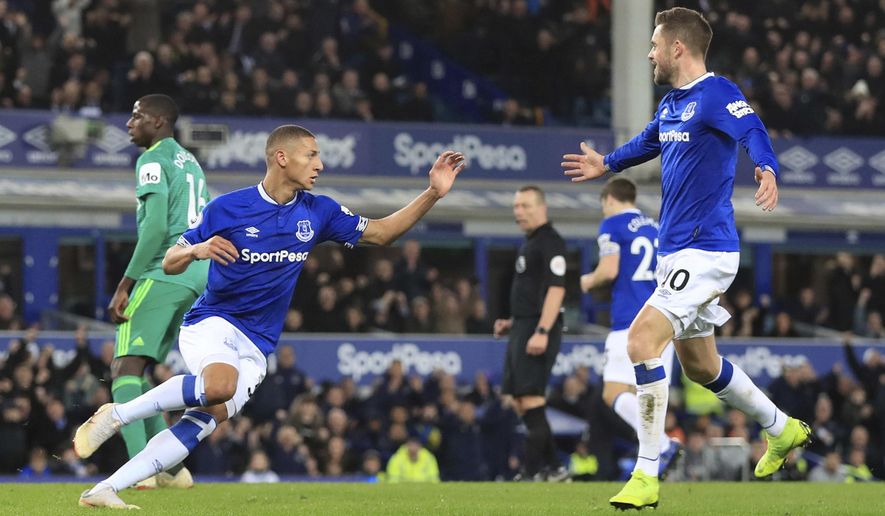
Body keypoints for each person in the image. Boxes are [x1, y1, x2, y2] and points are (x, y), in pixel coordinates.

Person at [73, 124, 465, 509]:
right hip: (213, 322)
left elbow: (382, 233)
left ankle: (105, 489)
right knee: (219, 386)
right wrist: (197, 250)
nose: (320, 164)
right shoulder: (227, 207)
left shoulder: (319, 211)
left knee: (205, 419)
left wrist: (432, 193)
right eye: (311, 155)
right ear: (282, 158)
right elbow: (171, 260)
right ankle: (117, 415)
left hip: (258, 345)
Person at [562, 7, 810, 510]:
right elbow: (648, 142)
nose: (649, 53)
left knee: (641, 340)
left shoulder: (717, 93)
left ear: (678, 47)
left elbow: (753, 130)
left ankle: (646, 474)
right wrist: (607, 163)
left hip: (706, 249)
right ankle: (781, 427)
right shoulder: (672, 104)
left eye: (655, 44)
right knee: (700, 366)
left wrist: (766, 168)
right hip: (676, 252)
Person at [107, 94, 209, 489]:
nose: (129, 123)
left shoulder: (152, 160)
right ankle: (172, 469)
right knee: (140, 373)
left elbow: (154, 229)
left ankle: (140, 472)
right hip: (195, 276)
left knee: (123, 369)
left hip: (163, 272)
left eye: (137, 116)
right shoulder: (190, 161)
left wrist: (125, 283)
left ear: (159, 121)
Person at [579, 177, 680, 476]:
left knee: (612, 393)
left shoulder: (612, 225)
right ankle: (651, 465)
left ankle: (663, 444)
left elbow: (609, 270)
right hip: (661, 319)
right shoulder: (656, 227)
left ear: (609, 199)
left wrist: (588, 280)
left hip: (629, 322)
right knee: (644, 396)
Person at [493, 185, 568, 482]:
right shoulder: (531, 243)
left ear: (542, 208)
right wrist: (513, 322)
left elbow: (556, 289)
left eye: (525, 206)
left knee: (531, 398)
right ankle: (556, 468)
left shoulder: (550, 242)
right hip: (524, 326)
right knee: (520, 400)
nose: (519, 212)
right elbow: (532, 293)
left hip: (539, 328)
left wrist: (542, 330)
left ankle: (530, 472)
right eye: (516, 207)